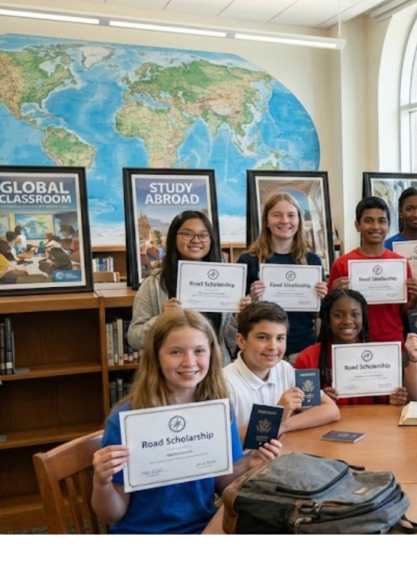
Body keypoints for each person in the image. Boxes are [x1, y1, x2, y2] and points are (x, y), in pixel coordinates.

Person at [90, 309, 282, 534]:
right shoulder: (125, 421)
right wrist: (101, 482)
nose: (189, 362)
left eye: (199, 351)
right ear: (156, 356)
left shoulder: (217, 411)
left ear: (211, 354)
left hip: (205, 527)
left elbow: (223, 482)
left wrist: (249, 464)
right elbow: (110, 514)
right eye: (175, 352)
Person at [127, 211, 247, 365]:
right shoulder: (154, 283)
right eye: (187, 234)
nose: (196, 240)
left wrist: (238, 319)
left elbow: (229, 341)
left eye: (203, 235)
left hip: (216, 374)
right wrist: (161, 320)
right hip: (172, 373)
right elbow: (134, 339)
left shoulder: (224, 281)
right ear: (173, 238)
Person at [223, 301, 339, 436]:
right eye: (263, 337)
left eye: (280, 338)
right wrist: (277, 413)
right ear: (241, 341)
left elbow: (331, 410)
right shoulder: (224, 384)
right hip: (247, 457)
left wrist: (281, 426)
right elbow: (223, 443)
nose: (273, 346)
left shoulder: (284, 368)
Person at [238, 193, 328, 363]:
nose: (284, 221)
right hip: (262, 350)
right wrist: (252, 299)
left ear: (299, 220)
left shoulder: (311, 261)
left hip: (302, 347)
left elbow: (316, 316)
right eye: (277, 215)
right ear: (266, 221)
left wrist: (321, 299)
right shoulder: (248, 260)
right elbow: (237, 316)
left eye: (291, 215)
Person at [328, 197, 417, 343]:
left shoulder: (400, 263)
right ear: (357, 225)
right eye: (368, 220)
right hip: (353, 341)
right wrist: (333, 294)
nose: (375, 226)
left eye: (382, 221)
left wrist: (415, 298)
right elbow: (330, 312)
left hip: (392, 339)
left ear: (389, 225)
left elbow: (403, 312)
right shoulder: (342, 264)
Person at [294, 288, 408, 406]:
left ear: (363, 318)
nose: (348, 321)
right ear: (327, 320)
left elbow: (387, 401)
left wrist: (395, 399)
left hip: (371, 422)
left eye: (355, 314)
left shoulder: (379, 355)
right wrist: (318, 400)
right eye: (338, 315)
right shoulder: (307, 358)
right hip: (327, 423)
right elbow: (299, 406)